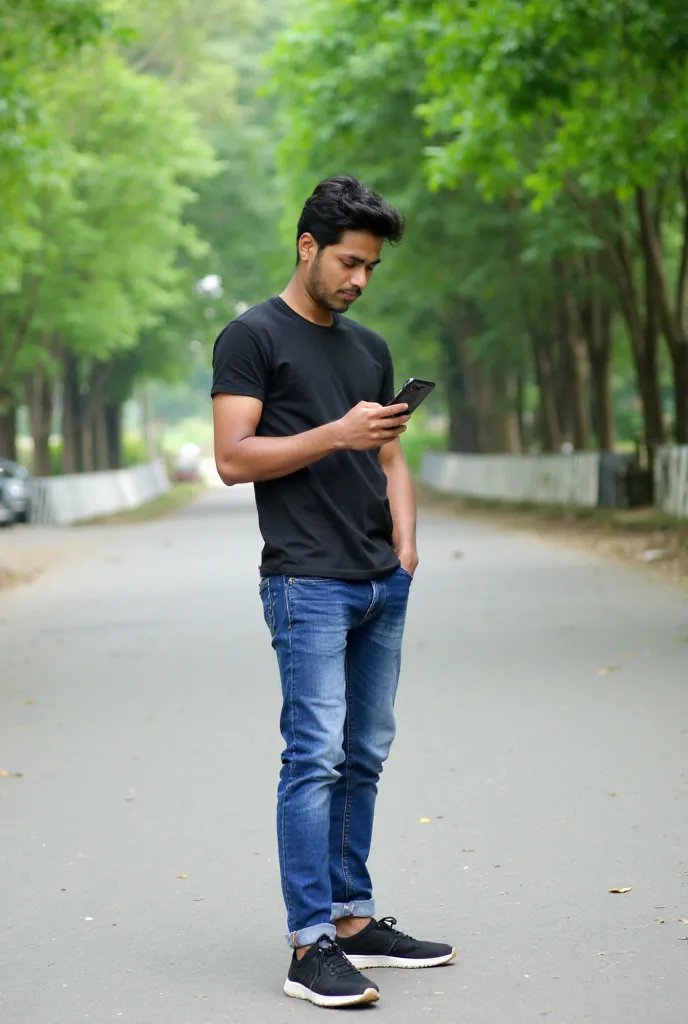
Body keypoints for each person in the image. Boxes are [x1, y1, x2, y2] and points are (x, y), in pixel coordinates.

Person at [211, 176, 455, 1008]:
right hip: (306, 581)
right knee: (312, 757)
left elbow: (389, 455)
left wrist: (408, 546)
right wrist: (335, 433)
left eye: (372, 267)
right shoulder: (249, 337)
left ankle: (354, 920)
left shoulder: (368, 348)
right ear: (307, 247)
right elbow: (233, 458)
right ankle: (309, 942)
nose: (359, 279)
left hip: (381, 580)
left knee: (366, 752)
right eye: (349, 261)